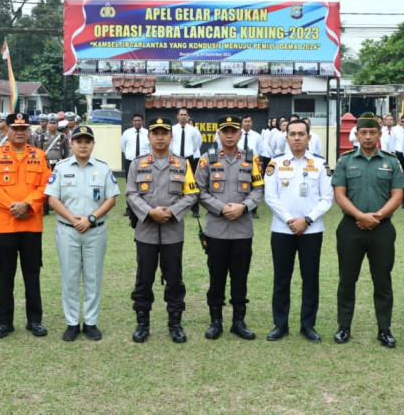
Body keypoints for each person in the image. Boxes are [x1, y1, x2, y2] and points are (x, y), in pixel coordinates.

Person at [331, 112, 404, 348]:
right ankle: (344, 327)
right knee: (347, 280)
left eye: (372, 132)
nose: (367, 136)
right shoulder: (345, 160)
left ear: (379, 134)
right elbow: (339, 194)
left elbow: (398, 195)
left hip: (382, 229)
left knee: (382, 281)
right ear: (356, 134)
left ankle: (384, 330)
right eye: (363, 132)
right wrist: (360, 216)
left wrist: (377, 216)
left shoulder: (391, 161)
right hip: (350, 228)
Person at [126, 117, 199, 343]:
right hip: (146, 230)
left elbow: (192, 193)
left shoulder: (182, 164)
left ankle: (175, 323)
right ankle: (142, 323)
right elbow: (131, 193)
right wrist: (150, 212)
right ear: (149, 137)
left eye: (164, 133)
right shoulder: (137, 163)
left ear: (171, 136)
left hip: (172, 231)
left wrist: (172, 211)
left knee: (174, 279)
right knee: (144, 279)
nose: (159, 137)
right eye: (155, 133)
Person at [44, 125, 119, 341]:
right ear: (72, 144)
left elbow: (111, 199)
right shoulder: (61, 168)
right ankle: (71, 323)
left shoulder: (103, 169)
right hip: (68, 230)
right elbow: (52, 199)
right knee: (70, 277)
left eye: (87, 141)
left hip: (95, 230)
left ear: (93, 144)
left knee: (93, 278)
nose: (83, 145)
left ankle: (91, 322)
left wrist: (91, 218)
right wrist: (72, 219)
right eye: (79, 141)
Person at [0, 112, 52, 339]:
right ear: (7, 130)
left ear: (28, 131)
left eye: (23, 129)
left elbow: (45, 186)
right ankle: (5, 322)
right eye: (15, 128)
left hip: (31, 225)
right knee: (6, 275)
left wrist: (28, 205)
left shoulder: (40, 156)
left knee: (32, 274)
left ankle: (35, 321)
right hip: (4, 225)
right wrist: (13, 206)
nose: (19, 132)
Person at [195, 115, 264, 341]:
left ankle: (238, 321)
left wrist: (243, 207)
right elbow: (199, 190)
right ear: (219, 133)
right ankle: (216, 321)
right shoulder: (207, 159)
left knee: (240, 277)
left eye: (233, 130)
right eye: (225, 131)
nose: (229, 135)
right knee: (216, 277)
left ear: (240, 133)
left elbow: (258, 190)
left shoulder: (250, 160)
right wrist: (222, 208)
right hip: (216, 229)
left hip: (242, 229)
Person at [264, 119, 333, 342]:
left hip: (312, 231)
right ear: (286, 138)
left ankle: (307, 325)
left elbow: (327, 198)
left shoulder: (320, 164)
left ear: (309, 137)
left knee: (310, 279)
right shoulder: (275, 163)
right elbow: (270, 197)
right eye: (292, 134)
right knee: (282, 279)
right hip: (282, 230)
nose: (296, 138)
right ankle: (280, 325)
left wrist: (307, 220)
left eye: (301, 134)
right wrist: (290, 220)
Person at [170, 108, 203, 217]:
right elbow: (170, 144)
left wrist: (189, 153)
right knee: (175, 183)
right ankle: (177, 208)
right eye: (181, 115)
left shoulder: (193, 130)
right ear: (177, 116)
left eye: (185, 115)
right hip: (176, 159)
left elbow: (196, 144)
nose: (183, 117)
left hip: (189, 158)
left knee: (192, 183)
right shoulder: (172, 129)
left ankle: (195, 209)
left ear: (188, 116)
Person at [120, 114, 150, 221]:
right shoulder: (127, 133)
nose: (137, 122)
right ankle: (129, 208)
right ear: (132, 121)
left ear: (142, 121)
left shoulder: (147, 133)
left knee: (145, 184)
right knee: (130, 184)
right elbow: (123, 147)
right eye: (135, 120)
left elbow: (150, 148)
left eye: (139, 120)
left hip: (145, 163)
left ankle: (144, 207)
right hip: (130, 162)